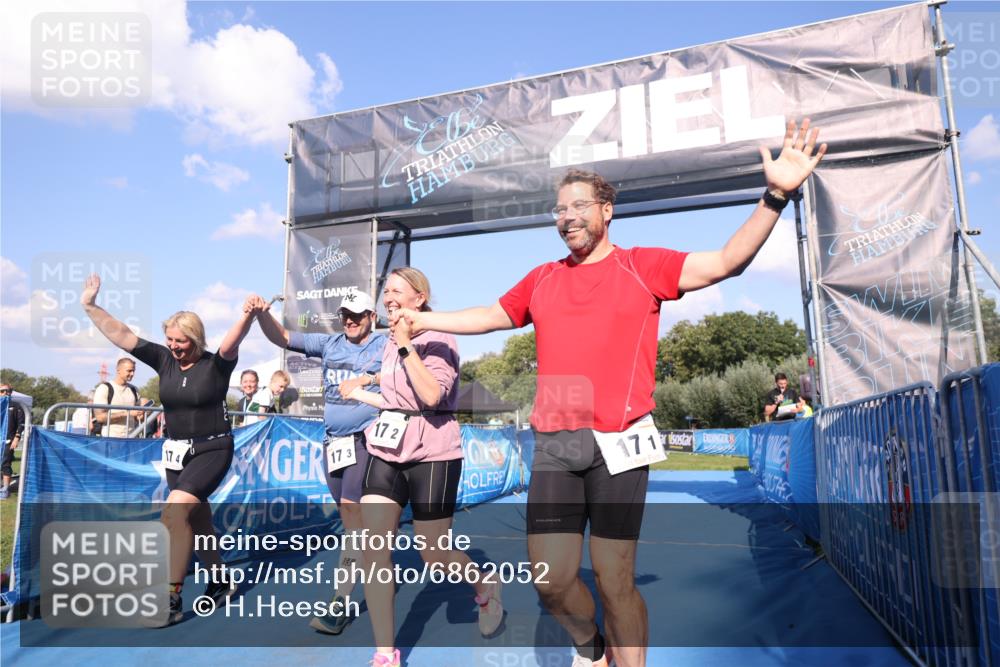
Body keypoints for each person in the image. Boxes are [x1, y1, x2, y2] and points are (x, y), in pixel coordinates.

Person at [390, 120, 826, 667]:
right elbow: (489, 315)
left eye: (578, 206)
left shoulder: (643, 266)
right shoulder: (543, 278)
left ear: (606, 210)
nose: (567, 217)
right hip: (556, 445)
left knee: (617, 583)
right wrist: (423, 316)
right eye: (559, 210)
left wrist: (776, 195)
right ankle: (593, 649)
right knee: (551, 583)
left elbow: (725, 263)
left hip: (620, 443)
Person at [347, 268, 504, 667]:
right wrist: (363, 392)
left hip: (433, 452)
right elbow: (395, 400)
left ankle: (484, 582)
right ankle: (386, 653)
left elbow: (432, 395)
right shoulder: (387, 341)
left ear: (420, 297)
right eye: (385, 291)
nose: (387, 297)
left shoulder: (441, 338)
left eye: (396, 290)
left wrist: (404, 346)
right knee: (373, 548)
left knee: (433, 553)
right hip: (386, 450)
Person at [81, 273, 255, 627]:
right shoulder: (163, 360)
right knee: (198, 520)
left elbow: (231, 342)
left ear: (195, 338)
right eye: (170, 340)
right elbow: (122, 335)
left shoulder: (215, 364)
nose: (174, 346)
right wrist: (90, 306)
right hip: (177, 452)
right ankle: (221, 581)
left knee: (173, 515)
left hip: (212, 450)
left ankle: (171, 597)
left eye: (180, 341)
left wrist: (248, 315)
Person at [246, 289, 385, 635]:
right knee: (349, 515)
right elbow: (282, 336)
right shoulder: (330, 344)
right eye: (345, 315)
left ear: (372, 316)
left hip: (366, 440)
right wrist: (262, 313)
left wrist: (369, 379)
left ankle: (341, 598)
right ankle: (367, 565)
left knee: (353, 512)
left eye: (357, 314)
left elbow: (404, 372)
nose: (350, 320)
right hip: (333, 442)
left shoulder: (384, 346)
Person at [91, 358, 145, 437]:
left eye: (134, 371)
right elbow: (100, 417)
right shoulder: (104, 388)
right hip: (110, 439)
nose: (132, 374)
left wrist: (141, 414)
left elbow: (137, 417)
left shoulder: (134, 390)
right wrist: (127, 413)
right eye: (129, 371)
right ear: (118, 370)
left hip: (131, 439)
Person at [0, 383, 25, 500]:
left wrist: (17, 438)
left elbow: (21, 424)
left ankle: (5, 489)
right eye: (2, 391)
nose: (5, 393)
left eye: (8, 391)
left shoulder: (16, 406)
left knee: (6, 464)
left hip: (8, 441)